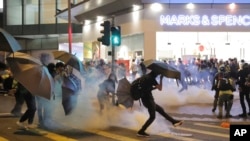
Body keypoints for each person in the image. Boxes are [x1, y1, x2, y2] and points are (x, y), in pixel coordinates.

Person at [137, 71, 183, 137]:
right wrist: (161, 79)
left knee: (161, 110)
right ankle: (141, 131)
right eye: (158, 74)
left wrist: (153, 88)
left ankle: (173, 122)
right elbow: (160, 88)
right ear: (155, 73)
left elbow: (147, 88)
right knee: (152, 117)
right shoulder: (151, 78)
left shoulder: (144, 77)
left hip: (145, 99)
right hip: (149, 100)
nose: (158, 75)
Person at [36, 63, 56, 128]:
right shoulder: (52, 74)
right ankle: (45, 121)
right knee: (46, 107)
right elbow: (53, 84)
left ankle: (41, 121)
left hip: (40, 92)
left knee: (40, 107)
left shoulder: (43, 73)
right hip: (46, 92)